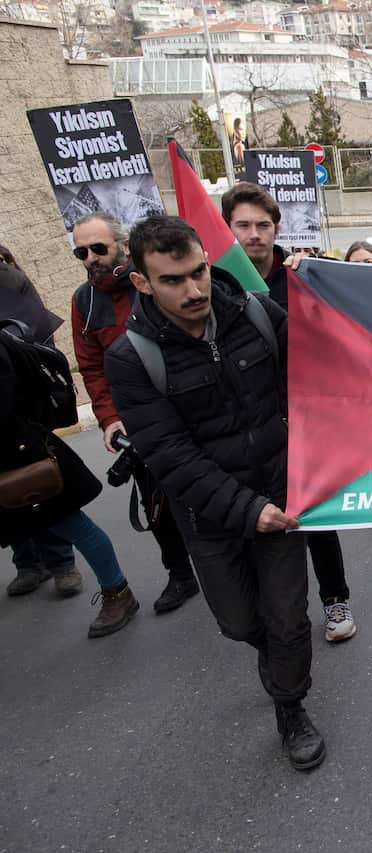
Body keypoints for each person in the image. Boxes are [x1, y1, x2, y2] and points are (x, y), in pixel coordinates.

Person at [105, 215, 325, 770]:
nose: (194, 290)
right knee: (242, 624)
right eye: (173, 280)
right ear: (142, 282)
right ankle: (274, 657)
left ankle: (290, 706)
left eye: (198, 272)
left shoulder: (256, 314)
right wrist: (249, 511)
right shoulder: (131, 359)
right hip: (211, 519)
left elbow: (320, 372)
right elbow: (170, 455)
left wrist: (321, 288)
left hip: (282, 500)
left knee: (288, 619)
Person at [222, 183, 357, 643]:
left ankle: (335, 599)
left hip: (302, 416)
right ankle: (276, 612)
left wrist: (317, 274)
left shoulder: (300, 275)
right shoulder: (212, 283)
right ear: (228, 229)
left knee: (315, 516)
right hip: (245, 422)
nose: (253, 234)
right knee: (261, 517)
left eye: (263, 225)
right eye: (243, 225)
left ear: (276, 229)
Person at [69, 212, 200, 613]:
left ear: (123, 246)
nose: (90, 258)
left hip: (187, 409)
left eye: (98, 248)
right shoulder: (84, 302)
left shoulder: (153, 284)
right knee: (156, 506)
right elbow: (91, 366)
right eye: (81, 252)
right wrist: (110, 418)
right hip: (139, 424)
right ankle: (181, 574)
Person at [1, 314, 139, 637]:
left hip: (24, 459)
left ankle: (118, 592)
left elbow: (5, 409)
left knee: (74, 526)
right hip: (16, 455)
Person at [1, 246, 79, 597]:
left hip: (18, 400)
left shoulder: (6, 277)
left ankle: (61, 562)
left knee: (34, 480)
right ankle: (28, 563)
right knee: (5, 488)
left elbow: (27, 335)